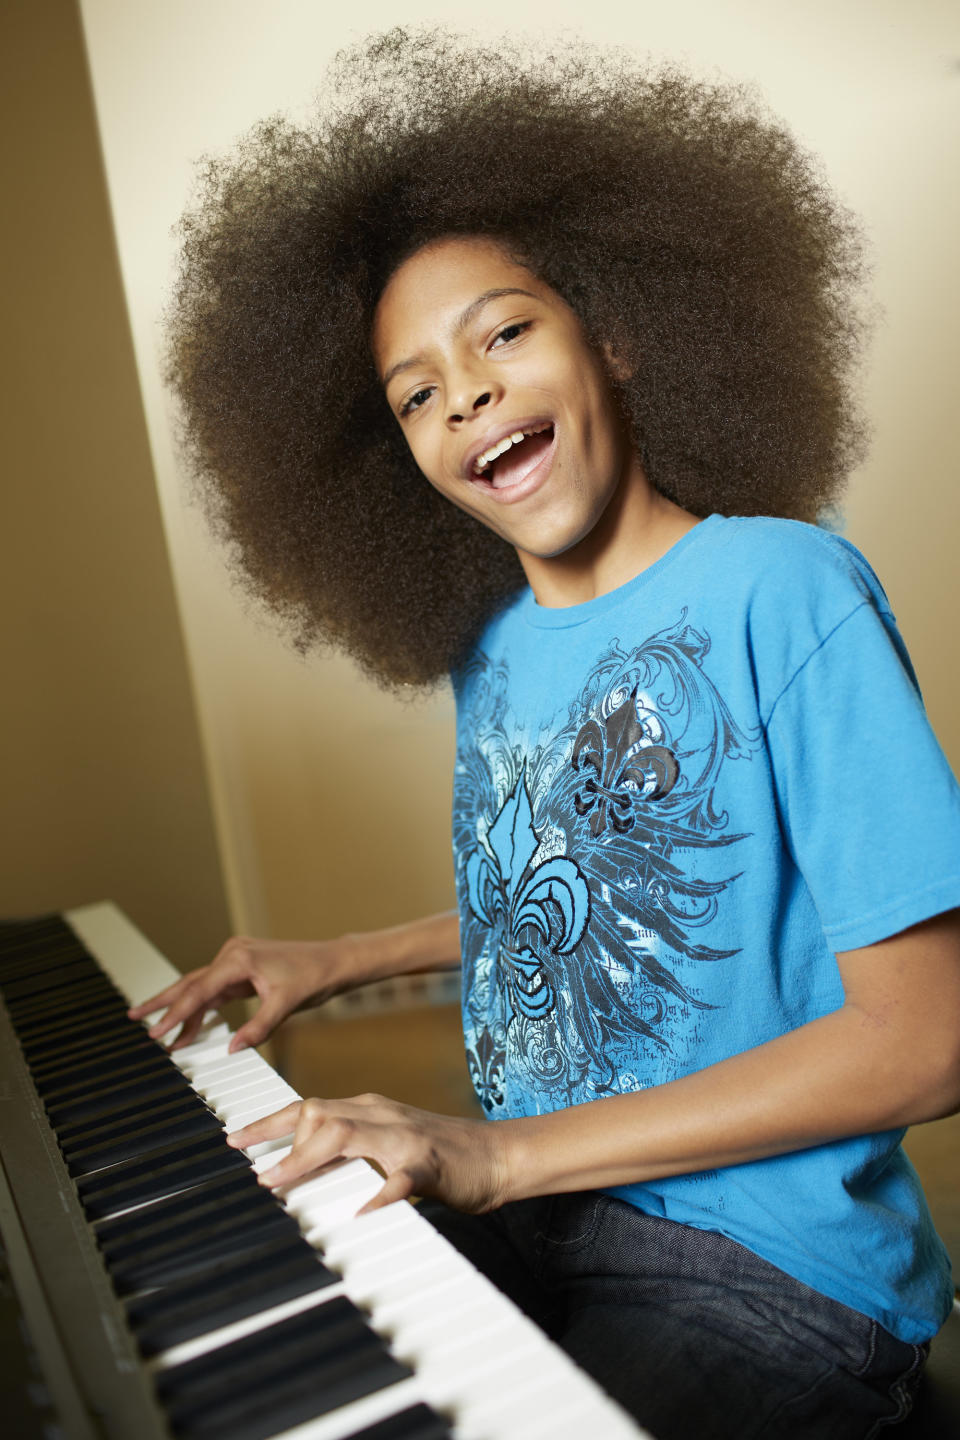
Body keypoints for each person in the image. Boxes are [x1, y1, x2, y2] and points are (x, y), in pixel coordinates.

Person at [131, 28, 960, 1438]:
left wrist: (498, 1155)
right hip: (554, 1217)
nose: (466, 393)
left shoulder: (783, 588)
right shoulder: (495, 649)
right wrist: (340, 958)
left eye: (505, 331)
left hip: (763, 1268)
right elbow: (581, 892)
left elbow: (929, 1040)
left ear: (617, 334)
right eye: (415, 392)